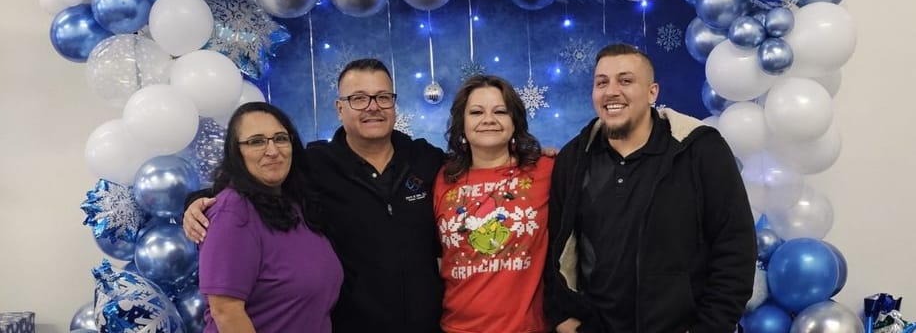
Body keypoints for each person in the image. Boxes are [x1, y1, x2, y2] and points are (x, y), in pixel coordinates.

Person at [186, 59, 445, 333]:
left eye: (383, 97)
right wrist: (194, 204)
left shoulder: (427, 160)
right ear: (340, 109)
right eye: (359, 98)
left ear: (393, 103)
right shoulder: (313, 165)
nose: (373, 107)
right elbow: (248, 185)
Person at [543, 44, 757, 333]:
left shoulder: (701, 150)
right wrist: (562, 317)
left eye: (625, 80)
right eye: (601, 82)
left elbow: (735, 246)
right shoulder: (574, 158)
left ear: (652, 92)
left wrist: (710, 327)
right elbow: (553, 248)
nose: (611, 91)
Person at [198, 101, 342, 333]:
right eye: (256, 141)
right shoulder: (233, 212)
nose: (273, 151)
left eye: (281, 138)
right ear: (236, 152)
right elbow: (225, 311)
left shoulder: (294, 203)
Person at [434, 75, 553, 333]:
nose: (489, 119)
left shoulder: (546, 170)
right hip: (456, 327)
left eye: (500, 111)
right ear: (462, 123)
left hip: (526, 328)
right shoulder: (442, 179)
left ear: (514, 121)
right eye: (476, 112)